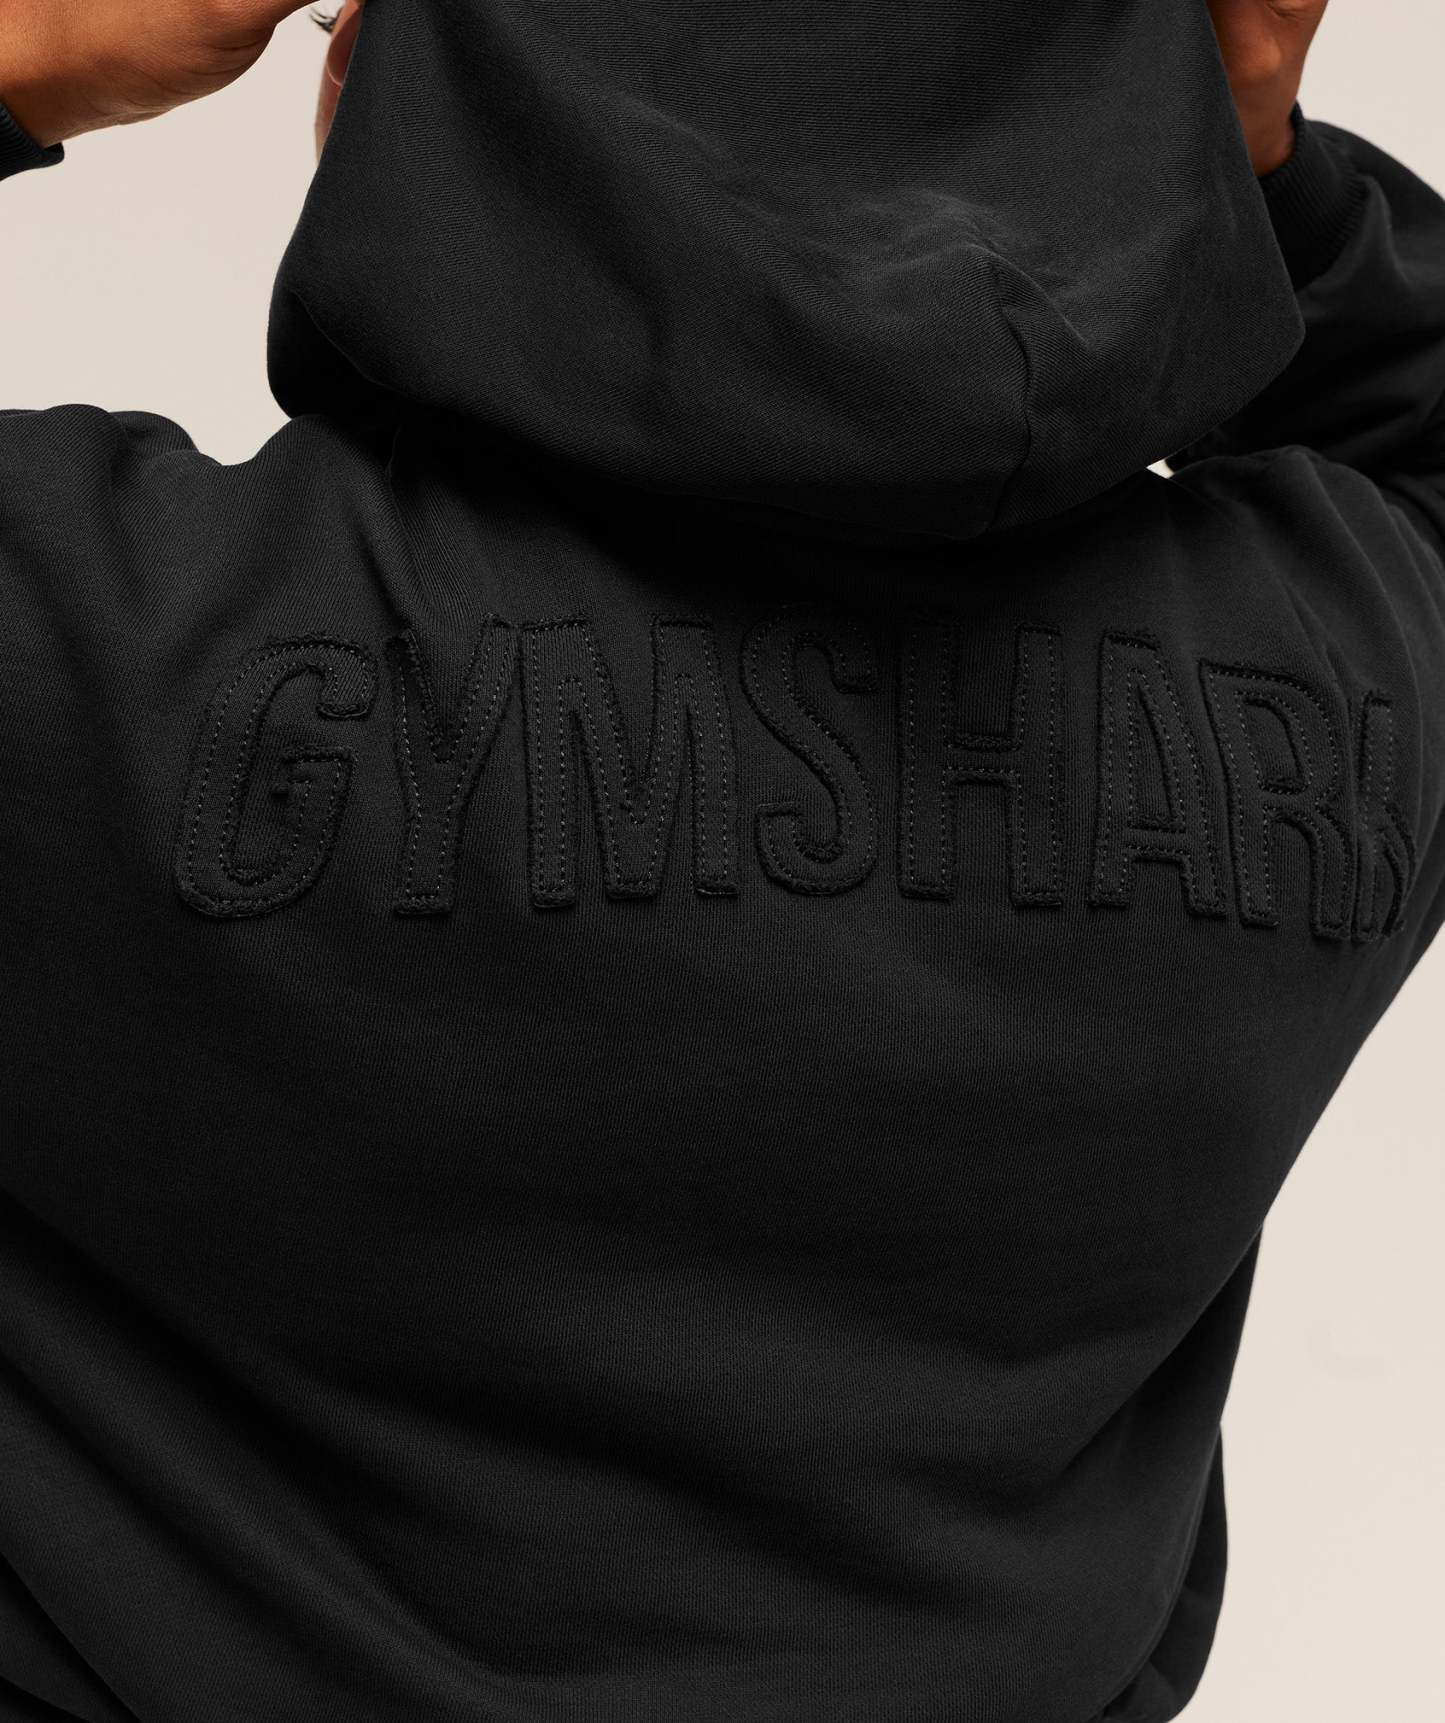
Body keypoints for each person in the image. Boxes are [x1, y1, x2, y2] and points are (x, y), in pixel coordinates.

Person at [0, 1, 1439, 1718]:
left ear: (397, 104)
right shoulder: (1332, 678)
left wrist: (20, 61)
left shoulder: (106, 643)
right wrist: (1254, 167)